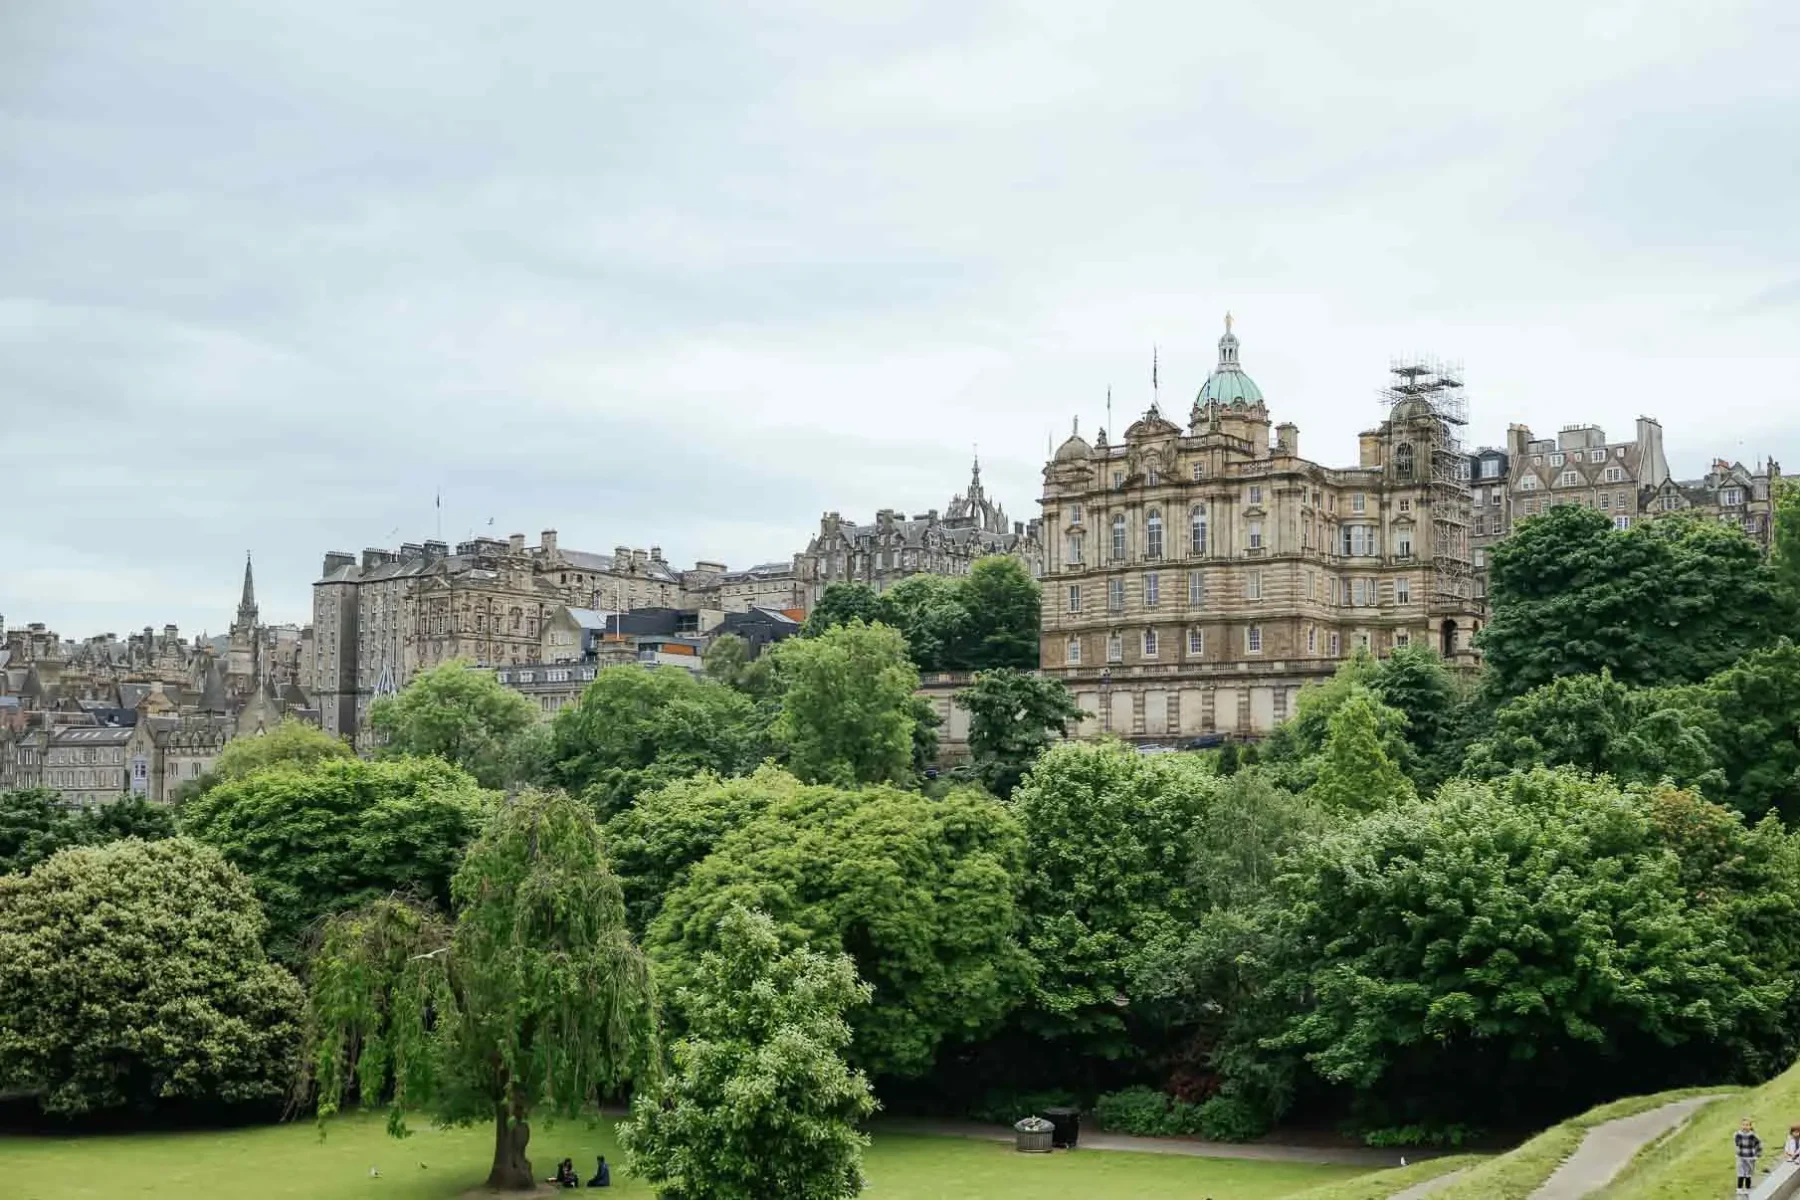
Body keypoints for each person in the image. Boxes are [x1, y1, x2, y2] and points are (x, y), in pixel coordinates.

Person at [1737, 1117, 1763, 1199]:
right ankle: (1739, 1188)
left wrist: (1758, 1153)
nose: (1745, 1127)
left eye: (1747, 1125)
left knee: (1748, 1173)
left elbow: (1759, 1144)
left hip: (1750, 1157)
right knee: (1741, 1172)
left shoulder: (1753, 1135)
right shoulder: (1738, 1134)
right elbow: (1737, 1142)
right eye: (1743, 1125)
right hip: (1741, 1156)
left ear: (1750, 1126)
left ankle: (1747, 1188)